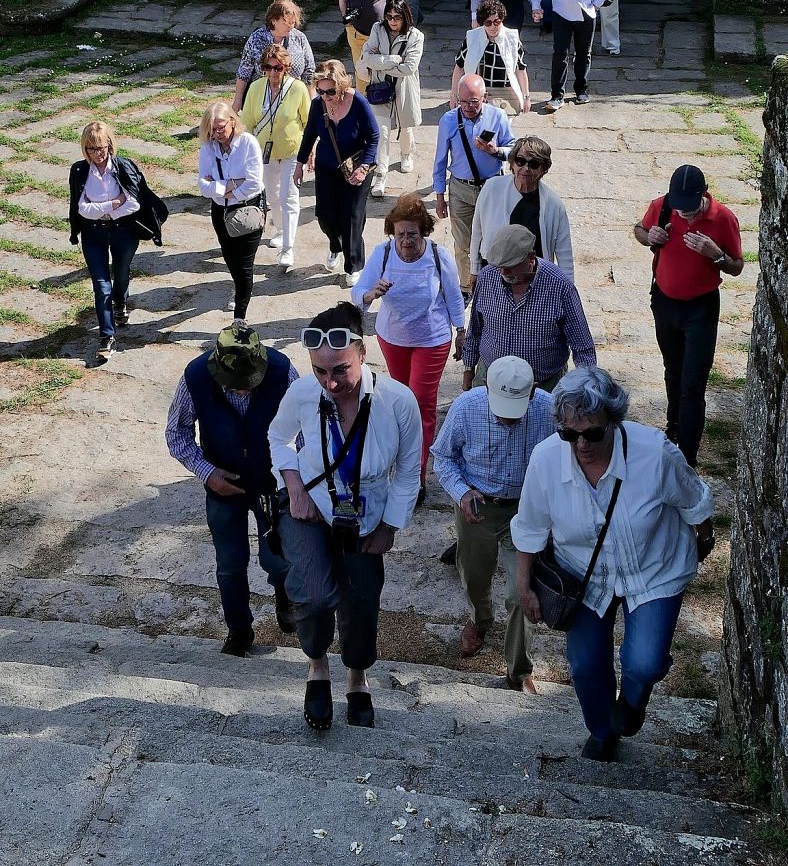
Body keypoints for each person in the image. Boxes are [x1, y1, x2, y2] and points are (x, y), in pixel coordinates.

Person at [513, 366, 714, 761]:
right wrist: (524, 586)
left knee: (645, 662)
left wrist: (704, 537)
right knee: (585, 666)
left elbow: (695, 500)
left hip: (653, 569)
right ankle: (603, 731)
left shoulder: (655, 453)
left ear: (613, 422)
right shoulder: (545, 460)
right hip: (584, 573)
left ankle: (634, 701)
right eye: (570, 434)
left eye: (593, 433)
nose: (581, 444)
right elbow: (531, 526)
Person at [268, 302, 422, 731]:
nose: (330, 383)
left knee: (361, 602)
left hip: (367, 518)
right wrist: (293, 487)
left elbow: (409, 470)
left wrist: (391, 525)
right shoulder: (303, 393)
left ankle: (357, 676)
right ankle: (317, 668)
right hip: (311, 510)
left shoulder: (397, 401)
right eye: (320, 371)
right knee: (314, 596)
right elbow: (278, 439)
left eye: (340, 370)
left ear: (363, 354)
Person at [165, 324, 298, 655]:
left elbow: (310, 427)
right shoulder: (195, 377)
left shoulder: (283, 371)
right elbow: (176, 433)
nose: (241, 391)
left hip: (271, 484)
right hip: (222, 487)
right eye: (233, 386)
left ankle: (285, 594)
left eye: (247, 385)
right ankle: (239, 629)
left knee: (280, 560)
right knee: (229, 565)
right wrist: (208, 474)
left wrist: (295, 477)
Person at [431, 356, 555, 691]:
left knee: (522, 592)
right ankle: (479, 620)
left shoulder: (549, 409)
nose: (507, 418)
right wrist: (461, 492)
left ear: (531, 395)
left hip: (526, 511)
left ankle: (518, 668)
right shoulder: (466, 407)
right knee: (473, 576)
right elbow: (442, 456)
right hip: (479, 508)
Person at [351, 193, 465, 501]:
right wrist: (370, 293)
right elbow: (357, 291)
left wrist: (461, 331)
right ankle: (400, 463)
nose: (405, 241)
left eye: (411, 234)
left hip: (432, 338)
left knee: (421, 405)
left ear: (423, 231)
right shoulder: (383, 254)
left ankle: (416, 476)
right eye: (400, 234)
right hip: (394, 338)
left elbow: (454, 297)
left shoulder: (439, 258)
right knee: (401, 404)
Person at [634, 165, 743, 467]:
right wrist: (649, 236)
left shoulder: (723, 219)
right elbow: (639, 231)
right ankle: (673, 431)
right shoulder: (662, 206)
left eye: (690, 208)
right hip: (665, 303)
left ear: (703, 195)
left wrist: (715, 254)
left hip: (701, 309)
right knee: (673, 371)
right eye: (679, 206)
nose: (684, 213)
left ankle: (688, 458)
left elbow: (737, 266)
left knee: (693, 384)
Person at [68, 120, 167, 362]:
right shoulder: (79, 171)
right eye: (91, 149)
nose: (97, 154)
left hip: (124, 232)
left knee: (121, 273)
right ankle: (107, 337)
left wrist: (101, 209)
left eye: (101, 148)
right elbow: (82, 209)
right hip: (93, 234)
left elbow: (134, 203)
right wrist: (113, 204)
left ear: (110, 145)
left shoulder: (124, 167)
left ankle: (121, 301)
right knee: (101, 286)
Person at [462, 224, 596, 391]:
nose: (503, 272)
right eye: (499, 265)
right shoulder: (487, 277)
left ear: (531, 258)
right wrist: (468, 369)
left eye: (510, 265)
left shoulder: (560, 286)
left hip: (544, 385)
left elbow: (582, 346)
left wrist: (587, 389)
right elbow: (475, 328)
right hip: (490, 379)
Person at [294, 59, 379, 288]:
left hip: (357, 166)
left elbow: (373, 137)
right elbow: (310, 133)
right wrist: (300, 163)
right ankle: (335, 245)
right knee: (325, 215)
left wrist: (363, 168)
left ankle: (354, 264)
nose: (325, 95)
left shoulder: (358, 102)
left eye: (330, 91)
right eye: (321, 91)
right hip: (327, 165)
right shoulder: (318, 104)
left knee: (352, 216)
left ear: (341, 85)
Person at [432, 74, 515, 298]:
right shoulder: (448, 120)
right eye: (463, 101)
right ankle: (467, 285)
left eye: (473, 102)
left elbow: (514, 148)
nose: (468, 107)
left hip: (492, 188)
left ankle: (495, 282)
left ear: (484, 98)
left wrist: (495, 151)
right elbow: (440, 161)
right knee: (463, 243)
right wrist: (440, 196)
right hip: (460, 189)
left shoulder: (498, 117)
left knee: (495, 240)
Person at [239, 44, 311, 270]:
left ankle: (288, 249)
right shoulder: (256, 88)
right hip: (264, 153)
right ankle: (280, 229)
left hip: (292, 151)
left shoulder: (298, 89)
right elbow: (247, 123)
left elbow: (308, 122)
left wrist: (310, 151)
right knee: (271, 197)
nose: (272, 73)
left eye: (277, 68)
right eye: (267, 68)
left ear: (286, 68)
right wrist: (245, 155)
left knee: (289, 196)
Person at [470, 135, 574, 283]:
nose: (525, 168)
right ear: (512, 163)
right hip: (495, 274)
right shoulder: (492, 188)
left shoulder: (553, 204)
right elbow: (477, 231)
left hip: (535, 280)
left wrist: (568, 288)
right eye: (520, 161)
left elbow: (564, 253)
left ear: (543, 169)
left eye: (534, 164)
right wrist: (474, 270)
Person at [198, 102, 265, 322]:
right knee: (230, 259)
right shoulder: (208, 148)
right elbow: (203, 186)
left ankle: (239, 318)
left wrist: (222, 188)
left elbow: (253, 184)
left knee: (245, 264)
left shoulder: (248, 143)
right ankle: (238, 288)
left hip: (248, 210)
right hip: (221, 212)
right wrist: (231, 185)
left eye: (220, 127)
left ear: (232, 122)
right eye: (212, 130)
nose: (217, 134)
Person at [357, 0, 424, 198]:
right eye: (389, 16)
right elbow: (367, 57)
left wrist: (381, 61)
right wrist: (395, 59)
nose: (393, 21)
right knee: (382, 133)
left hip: (404, 88)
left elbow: (409, 68)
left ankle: (406, 154)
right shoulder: (378, 28)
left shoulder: (416, 36)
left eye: (397, 17)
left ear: (405, 17)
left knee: (406, 127)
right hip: (380, 89)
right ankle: (380, 175)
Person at [451, 0, 531, 117]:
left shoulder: (512, 38)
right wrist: (454, 95)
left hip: (506, 92)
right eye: (488, 23)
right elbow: (459, 67)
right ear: (482, 23)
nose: (493, 26)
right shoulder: (472, 37)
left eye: (496, 22)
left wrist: (526, 96)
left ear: (502, 20)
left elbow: (520, 69)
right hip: (479, 92)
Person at [232, 0, 315, 112]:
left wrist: (312, 103)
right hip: (262, 99)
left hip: (292, 97)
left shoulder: (299, 38)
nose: (291, 27)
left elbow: (309, 72)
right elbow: (244, 72)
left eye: (293, 23)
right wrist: (238, 100)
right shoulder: (256, 38)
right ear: (273, 20)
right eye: (286, 23)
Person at [338, 0, 399, 94]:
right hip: (357, 31)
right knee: (361, 69)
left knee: (383, 66)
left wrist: (393, 19)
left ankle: (384, 97)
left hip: (383, 32)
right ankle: (364, 103)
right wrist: (347, 20)